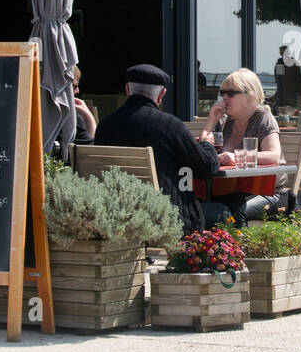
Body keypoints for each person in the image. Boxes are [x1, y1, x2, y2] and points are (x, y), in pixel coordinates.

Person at [93, 63, 227, 233]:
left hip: (119, 215)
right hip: (168, 216)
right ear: (161, 94)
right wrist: (207, 143)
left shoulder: (105, 125)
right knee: (223, 212)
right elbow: (208, 168)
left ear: (127, 89)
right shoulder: (170, 127)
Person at [202, 68, 287, 223]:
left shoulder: (263, 119)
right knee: (202, 203)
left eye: (231, 93)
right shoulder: (223, 122)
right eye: (222, 93)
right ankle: (211, 245)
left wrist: (235, 157)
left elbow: (273, 156)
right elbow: (202, 152)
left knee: (234, 210)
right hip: (231, 189)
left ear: (250, 95)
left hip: (268, 192)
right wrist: (211, 121)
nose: (225, 97)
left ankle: (235, 247)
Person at [71, 65, 95, 146]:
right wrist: (88, 116)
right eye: (75, 86)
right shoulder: (68, 115)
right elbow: (89, 149)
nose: (77, 90)